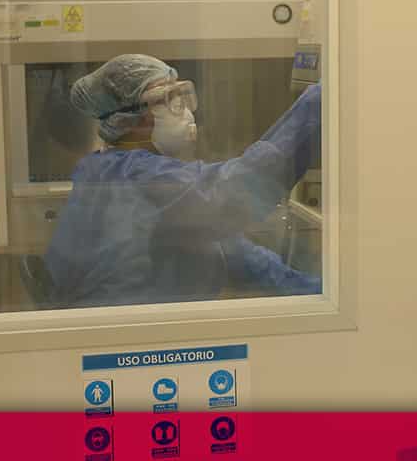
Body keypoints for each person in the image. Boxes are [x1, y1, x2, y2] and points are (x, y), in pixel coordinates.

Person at [43, 54, 322, 309]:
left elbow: (227, 248)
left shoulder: (102, 167)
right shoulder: (137, 176)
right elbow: (237, 191)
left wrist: (313, 289)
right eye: (167, 99)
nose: (182, 108)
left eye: (180, 94)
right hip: (133, 336)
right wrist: (315, 105)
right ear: (129, 118)